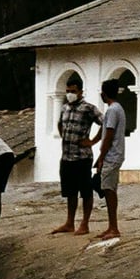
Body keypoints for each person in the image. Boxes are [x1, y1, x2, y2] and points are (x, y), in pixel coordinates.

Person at [52, 74, 102, 236]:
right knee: (70, 191)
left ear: (80, 91)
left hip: (82, 157)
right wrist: (66, 137)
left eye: (72, 91)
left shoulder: (88, 108)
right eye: (67, 91)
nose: (69, 94)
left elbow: (106, 123)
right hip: (66, 156)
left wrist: (92, 141)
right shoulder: (64, 108)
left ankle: (85, 223)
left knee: (85, 191)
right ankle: (69, 222)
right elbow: (60, 124)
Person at [91, 78, 128, 241]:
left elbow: (109, 134)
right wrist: (92, 141)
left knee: (109, 189)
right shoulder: (114, 109)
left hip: (112, 155)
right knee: (108, 188)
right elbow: (104, 130)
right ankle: (111, 226)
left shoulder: (113, 110)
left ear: (103, 93)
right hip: (114, 154)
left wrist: (101, 156)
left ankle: (114, 227)